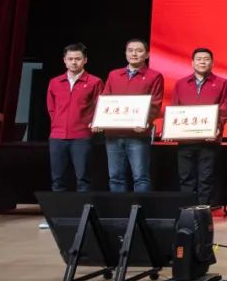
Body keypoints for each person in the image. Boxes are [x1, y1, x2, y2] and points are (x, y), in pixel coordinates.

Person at [97, 38, 164, 192]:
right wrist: (99, 120)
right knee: (115, 177)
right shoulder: (114, 74)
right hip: (113, 134)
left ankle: (140, 207)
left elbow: (155, 103)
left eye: (139, 51)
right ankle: (119, 207)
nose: (134, 54)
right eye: (130, 50)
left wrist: (146, 121)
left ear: (147, 54)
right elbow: (105, 100)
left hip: (138, 134)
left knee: (140, 177)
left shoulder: (154, 76)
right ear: (126, 53)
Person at [170, 48, 227, 205]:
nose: (202, 62)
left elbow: (224, 108)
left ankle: (203, 212)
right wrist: (170, 129)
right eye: (198, 59)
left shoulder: (222, 83)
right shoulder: (181, 83)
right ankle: (187, 211)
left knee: (206, 178)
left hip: (209, 140)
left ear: (212, 63)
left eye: (206, 59)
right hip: (185, 140)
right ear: (192, 63)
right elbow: (175, 108)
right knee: (186, 177)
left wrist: (218, 127)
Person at [47, 42, 102, 191]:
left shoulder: (95, 82)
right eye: (70, 59)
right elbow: (51, 108)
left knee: (83, 179)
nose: (73, 62)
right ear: (64, 60)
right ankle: (58, 207)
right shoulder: (55, 82)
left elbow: (99, 107)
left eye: (77, 59)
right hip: (57, 137)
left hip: (82, 137)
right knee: (58, 179)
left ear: (85, 60)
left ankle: (83, 207)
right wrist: (57, 125)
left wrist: (90, 124)